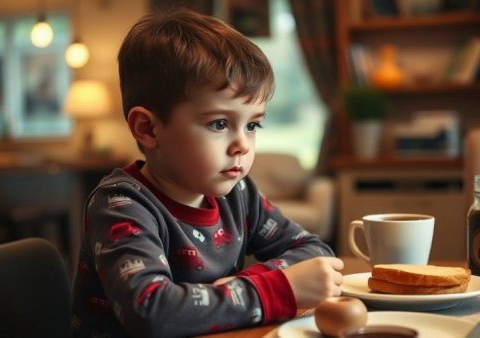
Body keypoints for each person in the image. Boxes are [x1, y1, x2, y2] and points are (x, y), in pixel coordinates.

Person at [71, 8, 343, 338]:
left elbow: (314, 248)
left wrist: (253, 282)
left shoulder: (239, 193)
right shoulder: (121, 205)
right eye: (219, 124)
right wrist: (272, 291)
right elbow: (151, 311)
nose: (242, 144)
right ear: (148, 128)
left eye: (253, 124)